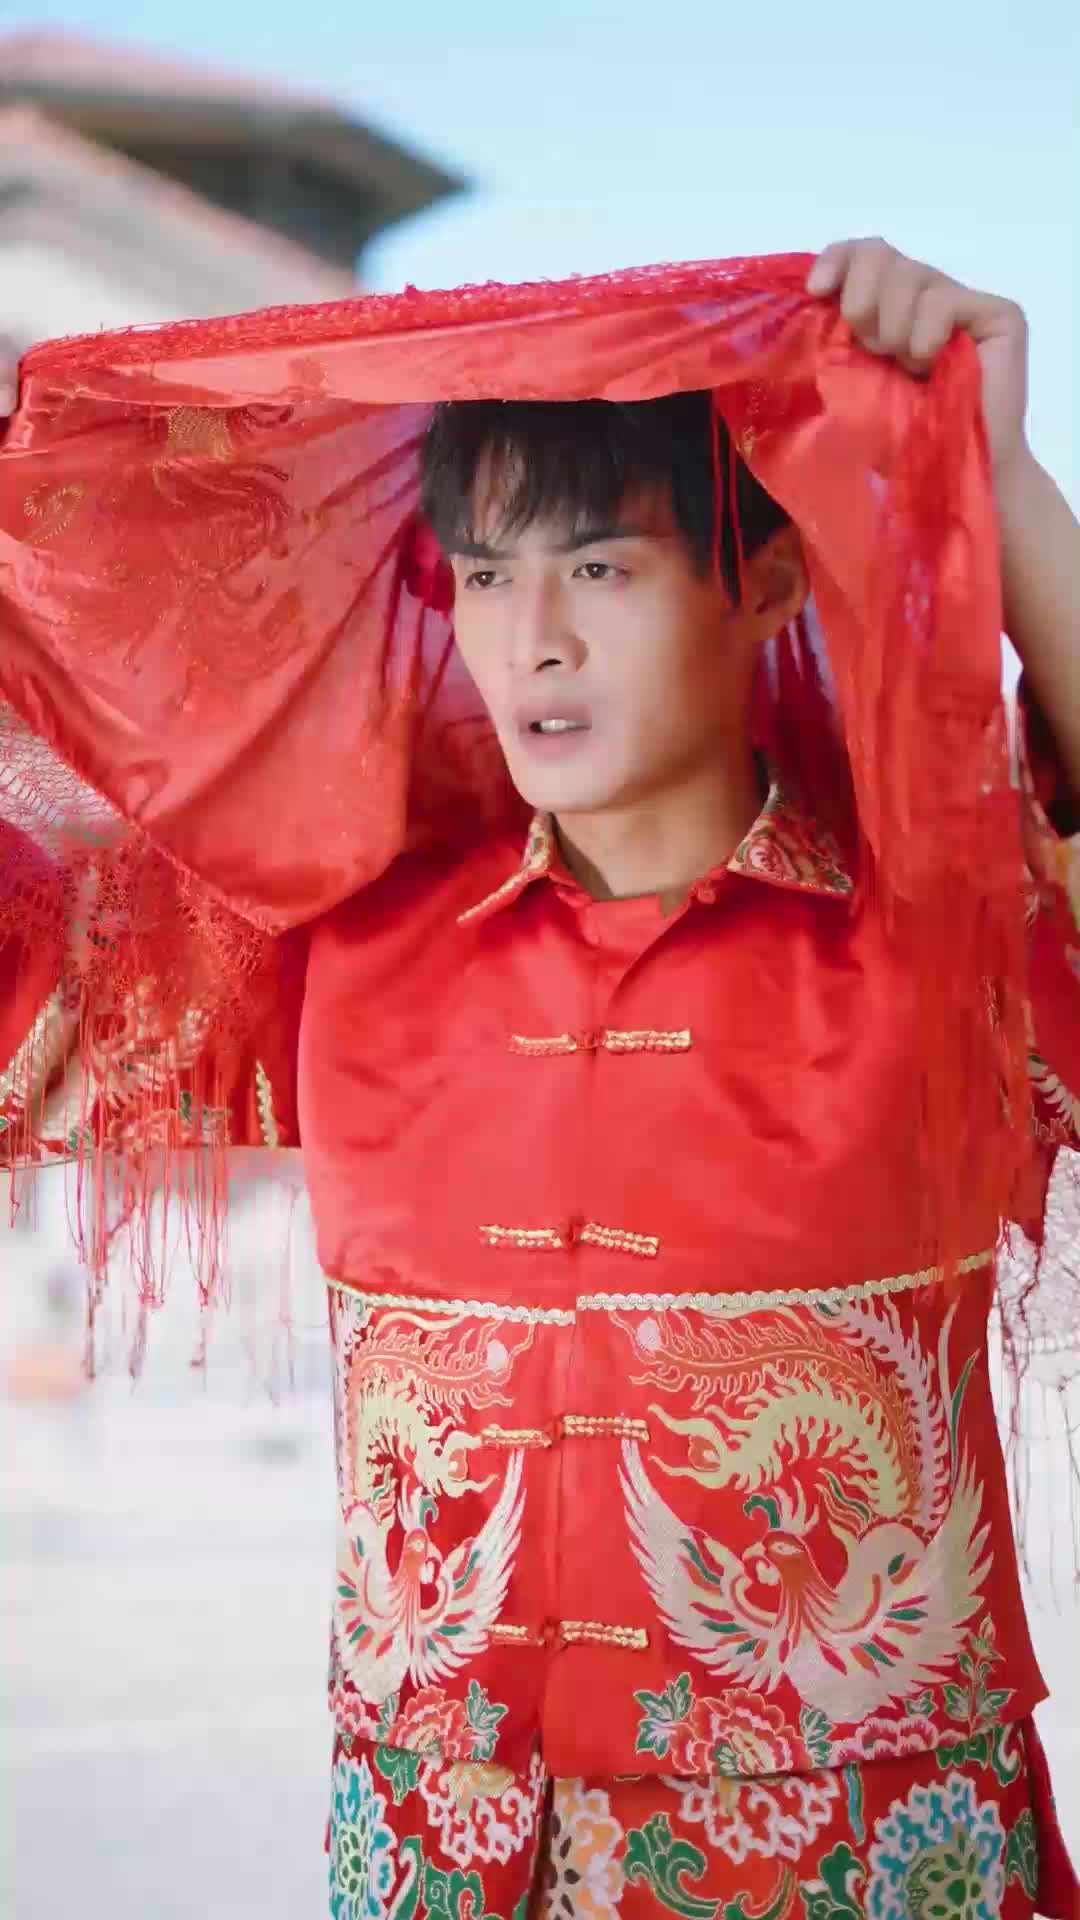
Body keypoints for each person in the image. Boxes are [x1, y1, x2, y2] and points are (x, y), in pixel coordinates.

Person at [0, 239, 1078, 1917]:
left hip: (862, 1855)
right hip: (435, 1849)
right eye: (489, 576)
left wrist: (1000, 484)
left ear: (765, 582)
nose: (535, 642)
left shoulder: (940, 953)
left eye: (600, 566)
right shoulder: (342, 952)